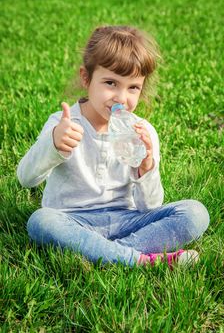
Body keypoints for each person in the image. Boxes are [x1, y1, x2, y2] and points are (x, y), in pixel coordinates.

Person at [17, 25, 210, 268]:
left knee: (195, 213)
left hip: (127, 220)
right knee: (40, 221)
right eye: (110, 83)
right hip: (72, 220)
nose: (121, 98)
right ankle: (141, 260)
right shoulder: (63, 124)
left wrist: (145, 168)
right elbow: (25, 178)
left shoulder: (143, 132)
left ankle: (107, 253)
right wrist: (54, 144)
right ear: (86, 78)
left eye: (133, 87)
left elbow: (150, 206)